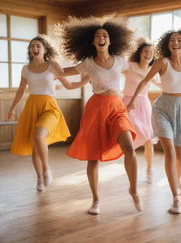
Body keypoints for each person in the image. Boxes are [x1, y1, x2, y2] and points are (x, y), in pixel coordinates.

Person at [57, 15, 142, 215]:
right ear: (93, 41)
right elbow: (64, 71)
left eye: (105, 35)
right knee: (92, 157)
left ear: (110, 41)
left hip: (116, 107)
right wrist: (47, 69)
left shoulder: (120, 61)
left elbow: (139, 71)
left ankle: (134, 189)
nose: (101, 38)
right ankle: (95, 200)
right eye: (97, 36)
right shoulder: (88, 63)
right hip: (95, 108)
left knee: (129, 146)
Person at [127, 30, 181, 214]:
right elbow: (145, 81)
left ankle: (177, 180)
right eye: (172, 40)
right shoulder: (162, 62)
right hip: (162, 108)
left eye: (179, 40)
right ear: (167, 44)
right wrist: (132, 100)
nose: (175, 43)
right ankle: (175, 198)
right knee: (169, 150)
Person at [8, 36, 71, 192]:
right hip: (32, 106)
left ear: (44, 50)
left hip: (50, 107)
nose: (35, 49)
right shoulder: (26, 69)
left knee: (38, 136)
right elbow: (21, 90)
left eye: (38, 46)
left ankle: (46, 169)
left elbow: (69, 85)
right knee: (35, 144)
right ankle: (39, 178)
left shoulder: (52, 66)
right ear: (30, 50)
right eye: (32, 46)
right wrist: (11, 108)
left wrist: (88, 77)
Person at [122, 40, 158, 183]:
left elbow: (159, 83)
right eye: (145, 51)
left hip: (144, 104)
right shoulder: (130, 66)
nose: (148, 54)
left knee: (148, 139)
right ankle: (130, 168)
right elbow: (113, 68)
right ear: (140, 53)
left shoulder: (152, 69)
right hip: (128, 102)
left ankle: (150, 169)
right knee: (129, 137)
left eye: (151, 52)